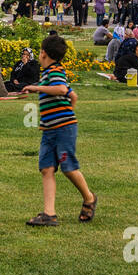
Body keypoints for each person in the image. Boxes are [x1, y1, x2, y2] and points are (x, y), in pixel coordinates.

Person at [21, 34, 95, 227]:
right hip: (50, 130)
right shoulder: (48, 74)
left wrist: (37, 89)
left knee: (68, 168)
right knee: (46, 169)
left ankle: (89, 198)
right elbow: (73, 95)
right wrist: (50, 118)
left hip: (63, 129)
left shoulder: (55, 71)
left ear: (44, 53)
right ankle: (49, 214)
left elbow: (62, 90)